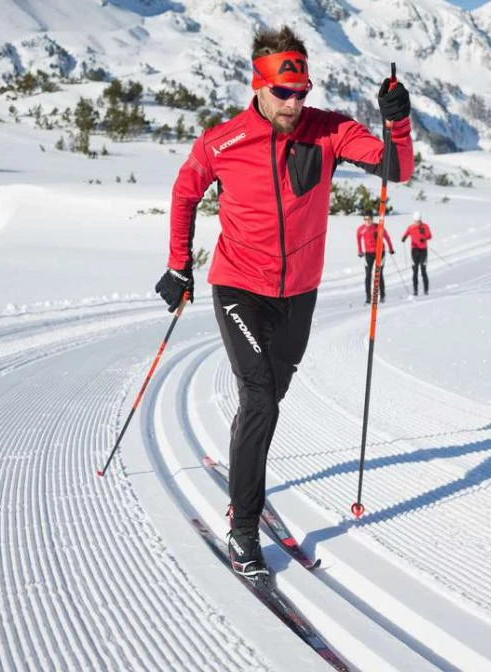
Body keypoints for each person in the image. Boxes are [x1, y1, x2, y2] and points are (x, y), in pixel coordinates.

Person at [155, 25, 413, 582]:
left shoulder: (330, 130)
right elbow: (184, 193)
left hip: (300, 294)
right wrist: (180, 264)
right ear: (259, 85)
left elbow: (397, 167)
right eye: (283, 94)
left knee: (267, 401)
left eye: (302, 93)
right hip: (239, 287)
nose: (294, 104)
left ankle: (244, 463)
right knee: (262, 396)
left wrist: (398, 121)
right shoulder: (222, 142)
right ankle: (244, 528)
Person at [356, 210, 394, 304]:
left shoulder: (378, 227)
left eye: (369, 219)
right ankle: (368, 297)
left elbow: (387, 237)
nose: (367, 221)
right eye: (365, 219)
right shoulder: (361, 229)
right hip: (368, 253)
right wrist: (360, 251)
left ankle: (382, 296)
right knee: (368, 275)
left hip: (380, 253)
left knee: (378, 274)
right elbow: (358, 240)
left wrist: (391, 248)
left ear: (372, 219)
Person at [401, 210, 432, 295]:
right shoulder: (411, 227)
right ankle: (415, 290)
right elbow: (406, 233)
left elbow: (429, 236)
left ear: (420, 220)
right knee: (415, 271)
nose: (417, 223)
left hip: (423, 251)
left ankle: (426, 290)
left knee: (423, 271)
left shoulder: (425, 226)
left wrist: (424, 237)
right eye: (415, 221)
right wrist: (404, 237)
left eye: (418, 221)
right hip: (414, 250)